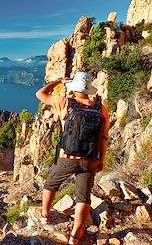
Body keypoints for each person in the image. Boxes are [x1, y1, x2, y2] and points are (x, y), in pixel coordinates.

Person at [33, 72, 110, 245]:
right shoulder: (101, 109)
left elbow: (40, 94)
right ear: (89, 90)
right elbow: (104, 138)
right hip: (90, 159)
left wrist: (58, 81)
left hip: (67, 157)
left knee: (51, 183)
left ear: (73, 87)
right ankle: (76, 235)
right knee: (83, 196)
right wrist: (101, 159)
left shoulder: (65, 102)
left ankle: (45, 214)